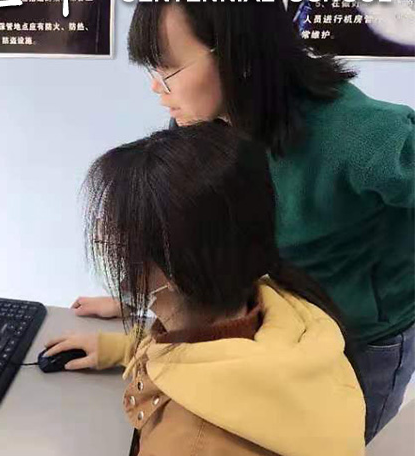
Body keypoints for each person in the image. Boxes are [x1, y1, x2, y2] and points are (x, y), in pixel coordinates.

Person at [71, 0, 414, 442]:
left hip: (363, 337)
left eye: (168, 68)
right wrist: (144, 296)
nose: (156, 87)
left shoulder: (364, 137)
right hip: (275, 322)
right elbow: (208, 243)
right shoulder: (204, 124)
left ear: (241, 53)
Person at [47, 123, 365, 456]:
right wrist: (121, 349)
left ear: (176, 270)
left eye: (116, 239)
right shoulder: (285, 308)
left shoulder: (187, 444)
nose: (109, 247)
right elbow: (212, 354)